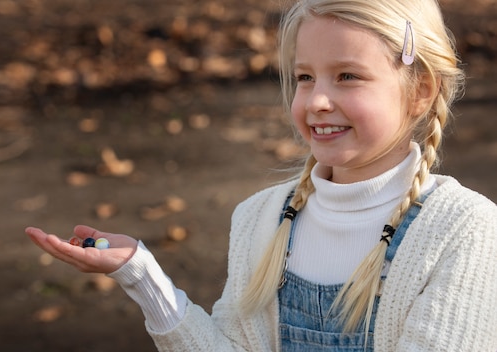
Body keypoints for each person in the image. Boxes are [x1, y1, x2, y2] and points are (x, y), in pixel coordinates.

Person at [25, 0, 497, 350]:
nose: (316, 101)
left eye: (348, 76)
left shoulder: (464, 231)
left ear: (420, 90)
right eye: (305, 77)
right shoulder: (261, 218)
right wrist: (142, 274)